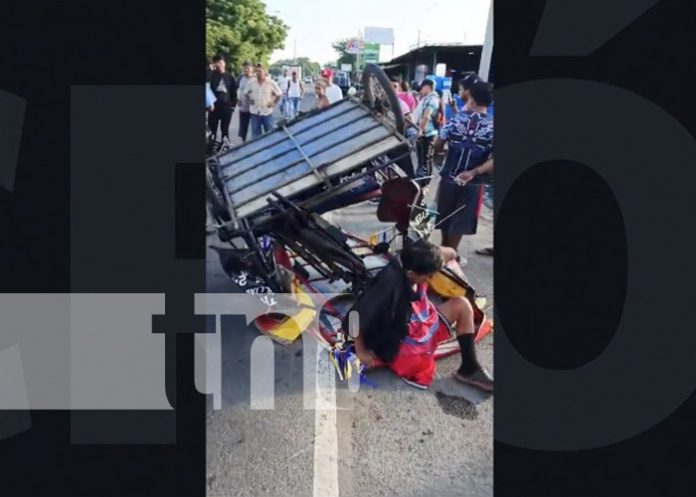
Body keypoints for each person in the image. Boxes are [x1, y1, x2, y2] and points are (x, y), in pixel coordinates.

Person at [348, 239, 493, 391]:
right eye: (428, 277)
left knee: (463, 305)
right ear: (411, 273)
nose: (430, 280)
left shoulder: (415, 261)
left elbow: (450, 253)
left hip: (420, 319)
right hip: (400, 340)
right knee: (419, 362)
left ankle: (469, 369)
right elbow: (354, 315)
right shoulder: (388, 284)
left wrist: (437, 253)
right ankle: (413, 359)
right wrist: (360, 350)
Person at [434, 80, 494, 252]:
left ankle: (444, 251)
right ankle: (452, 254)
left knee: (446, 216)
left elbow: (438, 144)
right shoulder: (493, 126)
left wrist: (442, 152)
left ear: (472, 99)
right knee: (461, 220)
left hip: (449, 177)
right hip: (473, 181)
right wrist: (474, 172)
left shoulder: (456, 120)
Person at [411, 78, 441, 185]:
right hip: (424, 132)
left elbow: (426, 116)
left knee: (426, 158)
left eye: (422, 88)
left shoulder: (433, 99)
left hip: (428, 133)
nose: (421, 91)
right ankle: (420, 177)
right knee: (422, 157)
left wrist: (420, 130)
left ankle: (425, 181)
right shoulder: (427, 98)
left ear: (427, 87)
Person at [244, 65, 283, 138]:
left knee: (269, 135)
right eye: (257, 71)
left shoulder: (271, 83)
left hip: (267, 113)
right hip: (255, 113)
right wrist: (249, 100)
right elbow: (245, 93)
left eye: (260, 71)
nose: (258, 73)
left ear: (265, 72)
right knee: (255, 136)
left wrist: (273, 103)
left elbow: (279, 94)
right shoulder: (252, 82)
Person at [208, 54, 238, 142]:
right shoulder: (211, 75)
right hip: (213, 108)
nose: (218, 64)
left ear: (224, 63)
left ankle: (225, 149)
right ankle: (211, 149)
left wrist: (232, 107)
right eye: (216, 63)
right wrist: (209, 69)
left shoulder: (230, 77)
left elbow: (234, 94)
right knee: (212, 130)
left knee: (225, 130)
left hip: (226, 108)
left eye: (220, 62)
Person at [236, 61, 255, 143]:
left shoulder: (255, 78)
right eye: (244, 68)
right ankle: (243, 141)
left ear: (252, 69)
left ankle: (255, 142)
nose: (246, 69)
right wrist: (237, 99)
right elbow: (236, 89)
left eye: (248, 67)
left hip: (254, 107)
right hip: (243, 106)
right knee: (243, 125)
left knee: (254, 126)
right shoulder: (240, 78)